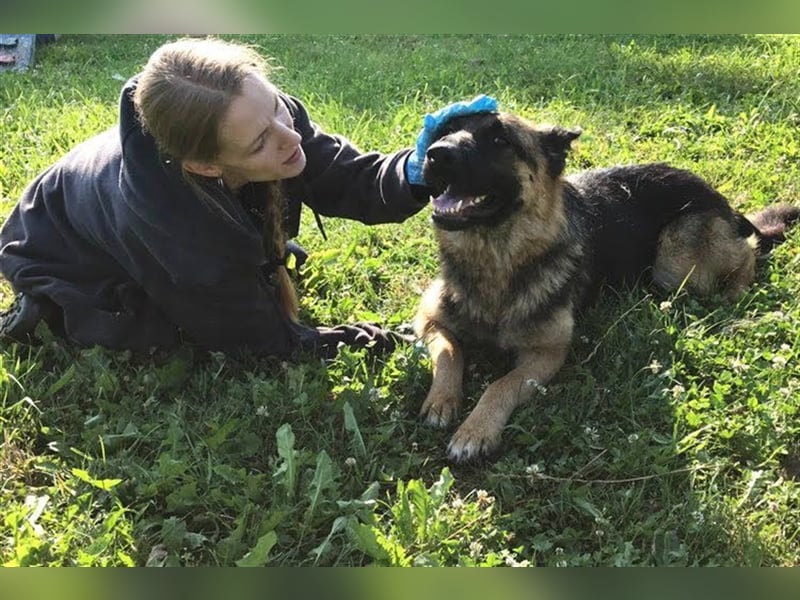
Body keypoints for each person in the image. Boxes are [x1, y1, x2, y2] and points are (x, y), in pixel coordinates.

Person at [0, 37, 498, 359]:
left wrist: (415, 170)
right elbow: (254, 342)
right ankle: (47, 307)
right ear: (206, 166)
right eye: (262, 141)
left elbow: (346, 179)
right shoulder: (179, 231)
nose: (291, 137)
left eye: (279, 108)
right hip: (57, 247)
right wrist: (357, 339)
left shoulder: (266, 120)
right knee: (160, 333)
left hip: (127, 209)